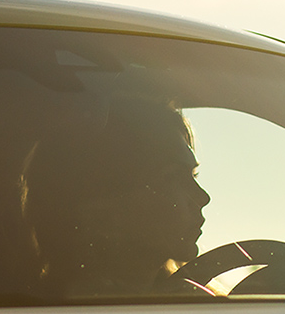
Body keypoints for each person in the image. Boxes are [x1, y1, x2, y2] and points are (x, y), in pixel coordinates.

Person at [21, 97, 211, 298]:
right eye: (172, 177)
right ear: (101, 202)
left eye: (193, 176)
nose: (202, 197)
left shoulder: (190, 299)